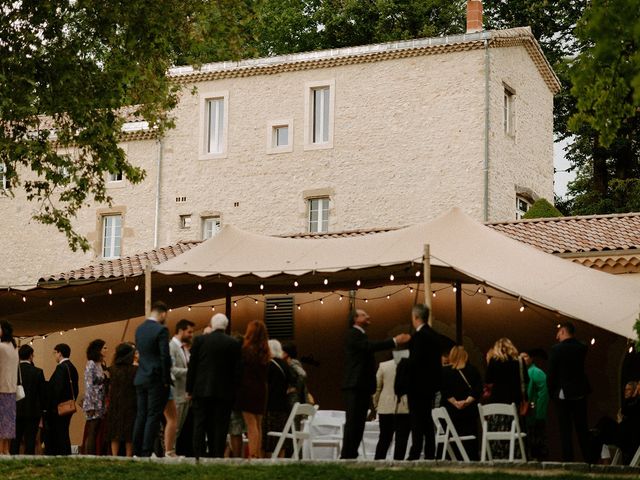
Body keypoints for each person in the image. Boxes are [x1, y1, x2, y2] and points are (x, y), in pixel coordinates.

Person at [340, 309, 409, 459]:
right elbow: (369, 346)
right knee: (353, 422)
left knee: (358, 424)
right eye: (364, 314)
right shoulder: (353, 334)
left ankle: (351, 455)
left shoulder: (360, 335)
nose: (368, 316)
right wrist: (395, 341)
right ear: (355, 319)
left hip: (361, 386)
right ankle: (347, 456)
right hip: (355, 385)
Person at [187, 313, 241, 458]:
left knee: (199, 423)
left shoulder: (200, 340)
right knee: (220, 424)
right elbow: (237, 371)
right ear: (226, 326)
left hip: (201, 389)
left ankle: (197, 453)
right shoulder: (233, 343)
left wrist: (189, 389)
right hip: (224, 391)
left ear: (211, 324)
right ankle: (216, 454)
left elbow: (193, 366)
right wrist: (235, 391)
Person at [547, 321, 591, 462]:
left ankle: (568, 460)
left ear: (564, 332)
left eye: (559, 332)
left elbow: (551, 374)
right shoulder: (582, 348)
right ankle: (588, 459)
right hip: (580, 392)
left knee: (565, 430)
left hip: (563, 393)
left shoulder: (556, 349)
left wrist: (551, 393)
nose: (556, 336)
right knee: (582, 429)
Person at [133, 301, 172, 457]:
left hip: (140, 376)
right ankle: (146, 450)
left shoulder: (139, 329)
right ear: (162, 314)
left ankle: (137, 450)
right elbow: (165, 356)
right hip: (155, 377)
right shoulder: (161, 330)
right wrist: (166, 379)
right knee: (153, 414)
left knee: (141, 414)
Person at [406, 304, 441, 461]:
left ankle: (415, 451)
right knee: (427, 419)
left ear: (416, 317)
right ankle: (429, 452)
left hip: (417, 385)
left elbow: (415, 362)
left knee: (417, 420)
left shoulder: (418, 337)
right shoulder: (434, 335)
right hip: (430, 385)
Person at [484, 337, 528, 459]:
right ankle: (514, 454)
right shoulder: (519, 361)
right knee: (514, 429)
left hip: (496, 401)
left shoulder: (493, 360)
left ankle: (497, 454)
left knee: (497, 429)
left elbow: (488, 380)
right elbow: (525, 380)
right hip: (514, 401)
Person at [441, 345, 482, 460]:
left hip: (450, 411)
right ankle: (471, 458)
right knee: (470, 436)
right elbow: (478, 389)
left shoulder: (444, 371)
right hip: (469, 411)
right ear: (466, 356)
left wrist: (455, 403)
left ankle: (452, 458)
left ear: (451, 356)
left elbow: (444, 390)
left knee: (452, 436)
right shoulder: (473, 370)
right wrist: (467, 402)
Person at [236, 320, 270, 458]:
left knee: (250, 424)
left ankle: (253, 454)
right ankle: (258, 453)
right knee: (258, 424)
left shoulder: (246, 350)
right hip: (261, 389)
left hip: (247, 389)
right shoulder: (265, 351)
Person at [372, 349, 411, 460]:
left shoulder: (383, 366)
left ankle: (379, 461)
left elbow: (377, 388)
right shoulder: (411, 366)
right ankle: (398, 463)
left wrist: (376, 405)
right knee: (402, 438)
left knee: (384, 437)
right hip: (405, 406)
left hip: (385, 406)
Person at [165, 318, 194, 457]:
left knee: (179, 427)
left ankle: (173, 451)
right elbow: (172, 370)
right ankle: (170, 451)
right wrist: (191, 371)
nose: (191, 335)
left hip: (183, 393)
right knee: (174, 426)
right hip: (176, 392)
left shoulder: (182, 348)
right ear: (181, 331)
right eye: (189, 332)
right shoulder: (172, 347)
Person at [10, 344, 46, 455]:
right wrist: (43, 411)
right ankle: (29, 463)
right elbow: (42, 394)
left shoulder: (12, 371)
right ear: (31, 356)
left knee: (15, 441)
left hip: (15, 411)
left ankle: (13, 462)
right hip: (33, 412)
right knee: (30, 441)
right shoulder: (38, 372)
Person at [45, 343, 79, 456]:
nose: (54, 355)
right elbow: (76, 389)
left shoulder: (61, 368)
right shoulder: (72, 367)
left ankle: (62, 453)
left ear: (59, 353)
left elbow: (57, 389)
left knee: (59, 432)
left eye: (55, 353)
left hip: (59, 408)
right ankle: (66, 453)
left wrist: (52, 406)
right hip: (69, 406)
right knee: (64, 431)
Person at [107, 342, 138, 457]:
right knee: (129, 433)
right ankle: (129, 456)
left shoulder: (113, 370)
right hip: (130, 402)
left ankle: (115, 456)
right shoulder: (134, 370)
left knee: (114, 432)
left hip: (115, 403)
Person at [263, 339, 292, 457]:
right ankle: (281, 458)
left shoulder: (269, 365)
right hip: (283, 406)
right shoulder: (285, 365)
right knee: (281, 435)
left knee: (268, 437)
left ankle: (267, 459)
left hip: (270, 405)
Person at [82, 339, 109, 455]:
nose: (106, 350)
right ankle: (90, 455)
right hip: (93, 402)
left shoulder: (101, 364)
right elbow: (88, 385)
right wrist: (90, 405)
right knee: (92, 430)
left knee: (97, 429)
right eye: (104, 348)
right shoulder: (91, 364)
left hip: (101, 401)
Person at [521, 349, 549, 460]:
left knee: (536, 438)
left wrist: (540, 413)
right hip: (526, 412)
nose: (523, 360)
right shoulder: (523, 373)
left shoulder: (536, 372)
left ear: (531, 359)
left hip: (534, 412)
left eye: (525, 357)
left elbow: (544, 393)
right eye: (520, 358)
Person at [0, 320, 19, 455]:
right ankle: (5, 450)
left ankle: (1, 451)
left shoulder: (1, 347)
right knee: (7, 423)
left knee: (1, 422)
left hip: (1, 387)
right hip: (11, 389)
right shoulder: (13, 348)